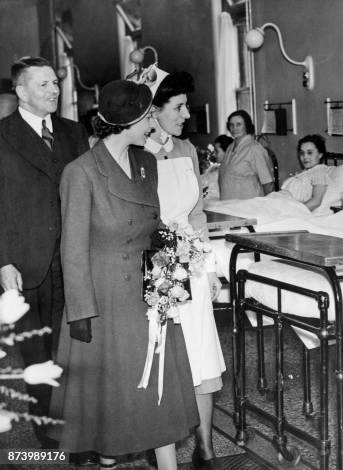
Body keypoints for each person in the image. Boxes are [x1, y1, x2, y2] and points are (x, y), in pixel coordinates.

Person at [48, 80, 198, 470]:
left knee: (157, 390)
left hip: (148, 293)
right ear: (129, 119)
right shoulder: (80, 172)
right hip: (104, 299)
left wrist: (173, 271)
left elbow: (155, 228)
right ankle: (109, 454)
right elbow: (73, 248)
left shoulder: (147, 163)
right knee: (113, 404)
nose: (153, 120)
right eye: (148, 113)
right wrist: (80, 312)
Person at [0, 56, 89, 447]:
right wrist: (2, 262)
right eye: (43, 84)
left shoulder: (73, 133)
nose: (53, 90)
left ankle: (78, 434)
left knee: (73, 351)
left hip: (72, 260)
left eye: (55, 82)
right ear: (21, 91)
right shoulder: (1, 135)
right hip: (25, 265)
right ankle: (49, 441)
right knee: (38, 355)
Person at [141, 67, 225, 468]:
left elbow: (197, 216)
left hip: (190, 260)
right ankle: (165, 454)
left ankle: (206, 449)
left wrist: (209, 269)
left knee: (202, 355)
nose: (187, 113)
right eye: (178, 106)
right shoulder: (134, 154)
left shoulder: (189, 150)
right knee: (164, 359)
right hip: (154, 266)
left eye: (186, 105)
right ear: (152, 111)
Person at [218, 109, 274, 199]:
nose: (234, 128)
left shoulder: (254, 148)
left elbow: (268, 183)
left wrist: (268, 206)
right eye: (231, 125)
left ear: (247, 126)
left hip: (248, 208)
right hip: (228, 207)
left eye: (238, 124)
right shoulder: (230, 148)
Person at [280, 134, 331, 211]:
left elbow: (316, 201)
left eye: (309, 153)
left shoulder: (319, 172)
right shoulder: (305, 173)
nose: (305, 157)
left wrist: (293, 212)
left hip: (293, 211)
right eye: (302, 153)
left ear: (320, 154)